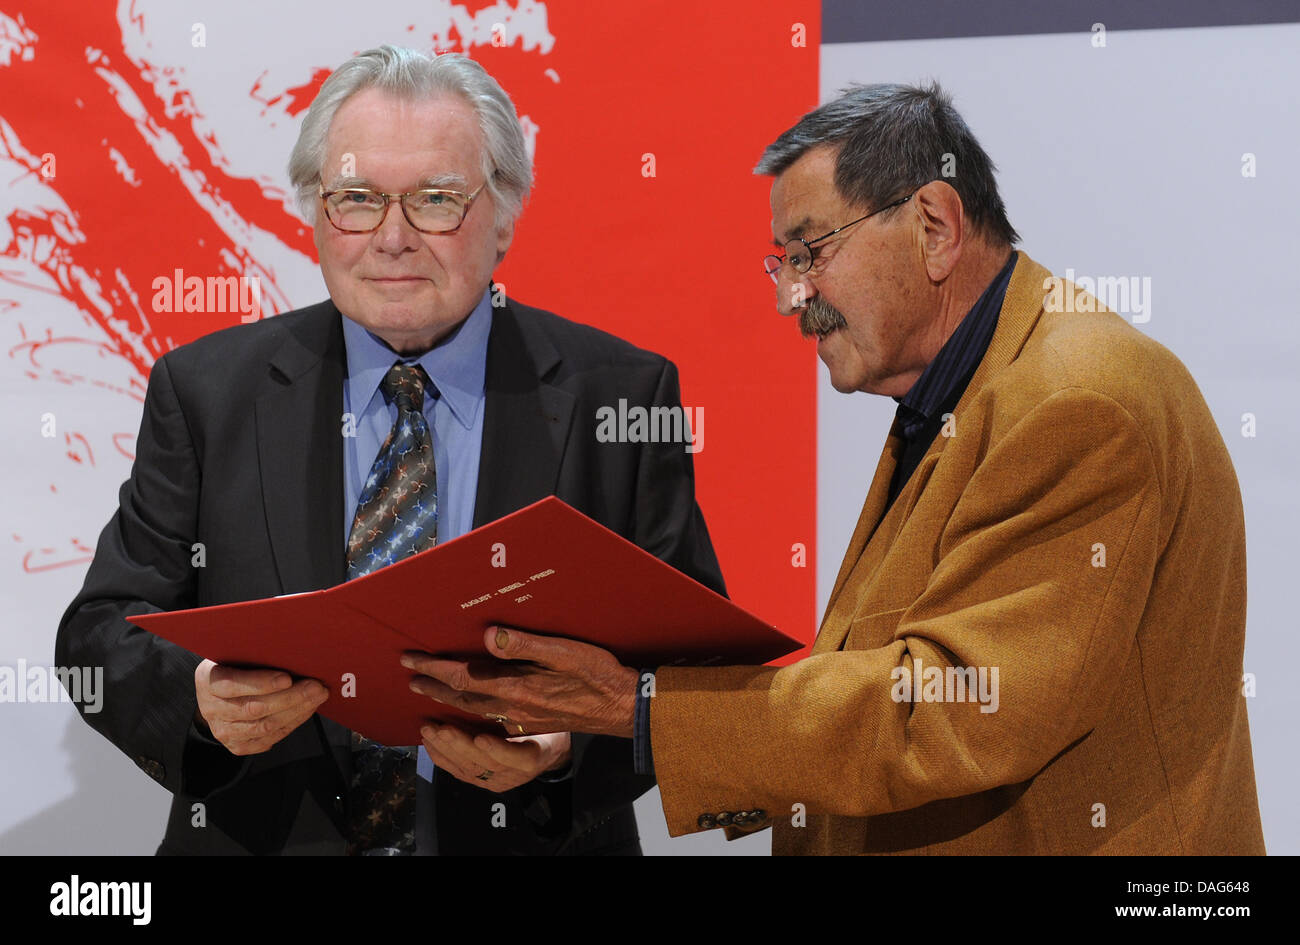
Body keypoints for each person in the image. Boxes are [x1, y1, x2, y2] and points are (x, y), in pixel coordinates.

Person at [403, 82, 1267, 855]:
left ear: (934, 226)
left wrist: (641, 708)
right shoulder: (973, 386)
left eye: (810, 252)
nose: (791, 297)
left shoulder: (1078, 398)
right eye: (782, 264)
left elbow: (951, 710)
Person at [55, 45, 723, 856]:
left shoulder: (619, 395)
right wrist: (199, 698)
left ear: (506, 213)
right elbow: (100, 632)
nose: (393, 237)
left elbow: (694, 671)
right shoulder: (205, 391)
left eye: (437, 199)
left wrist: (563, 749)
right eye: (358, 199)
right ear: (313, 211)